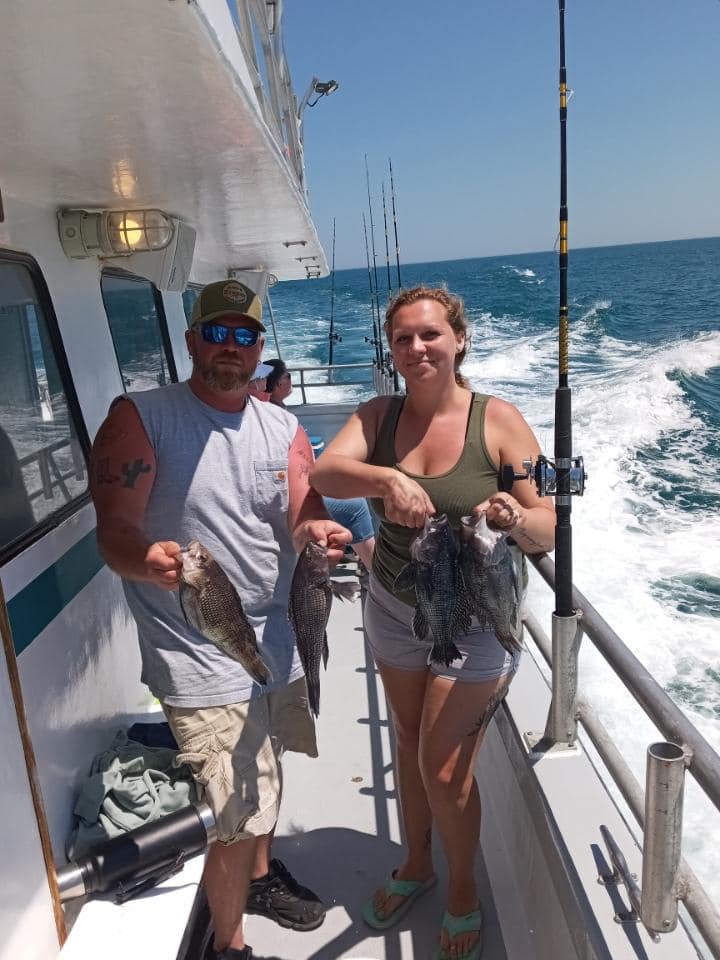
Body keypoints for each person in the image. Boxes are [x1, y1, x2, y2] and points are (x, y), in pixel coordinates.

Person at [90, 279, 352, 960]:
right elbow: (114, 528)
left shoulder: (283, 427)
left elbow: (302, 513)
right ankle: (229, 947)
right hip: (198, 649)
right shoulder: (141, 418)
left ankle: (258, 880)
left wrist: (318, 533)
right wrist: (146, 559)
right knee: (235, 810)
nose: (230, 347)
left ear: (259, 348)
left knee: (268, 766)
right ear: (192, 341)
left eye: (244, 336)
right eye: (216, 333)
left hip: (277, 638)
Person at [310, 285, 555, 960]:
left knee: (442, 768)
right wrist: (385, 481)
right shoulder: (378, 416)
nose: (417, 348)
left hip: (474, 616)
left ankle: (463, 892)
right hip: (394, 605)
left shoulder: (499, 421)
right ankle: (416, 864)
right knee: (409, 738)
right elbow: (326, 471)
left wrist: (515, 515)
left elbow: (547, 527)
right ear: (390, 350)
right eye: (403, 338)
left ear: (459, 340)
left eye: (430, 335)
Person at [265, 357, 377, 571]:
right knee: (355, 506)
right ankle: (374, 570)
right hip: (287, 499)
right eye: (288, 376)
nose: (290, 379)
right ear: (278, 385)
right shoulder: (273, 418)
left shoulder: (276, 413)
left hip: (292, 488)